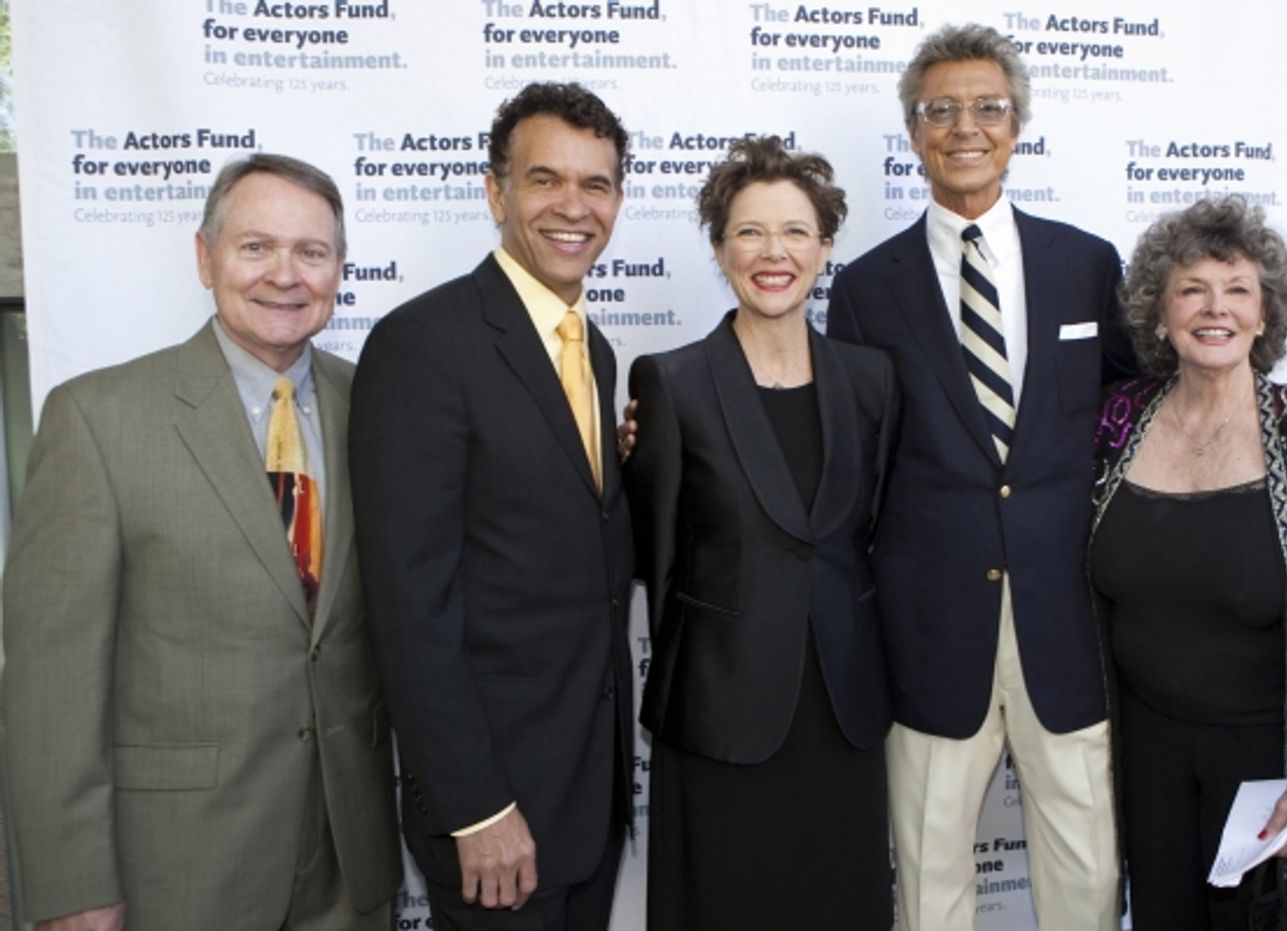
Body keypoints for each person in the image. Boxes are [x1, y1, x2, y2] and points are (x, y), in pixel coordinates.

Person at [821, 22, 1287, 931]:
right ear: (915, 130)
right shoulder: (864, 287)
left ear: (1017, 126)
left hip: (1070, 638)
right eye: (942, 110)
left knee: (1085, 883)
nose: (967, 126)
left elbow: (1156, 402)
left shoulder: (1083, 265)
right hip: (927, 637)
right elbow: (842, 452)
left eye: (989, 108)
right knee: (929, 886)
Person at [2, 153, 401, 931]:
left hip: (349, 867)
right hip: (180, 868)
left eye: (311, 252)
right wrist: (72, 886)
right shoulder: (99, 419)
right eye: (256, 247)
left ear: (339, 269)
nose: (285, 274)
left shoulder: (381, 407)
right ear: (204, 256)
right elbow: (51, 688)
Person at [349, 82, 633, 931]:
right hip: (495, 812)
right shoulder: (424, 344)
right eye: (545, 179)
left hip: (587, 795)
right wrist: (474, 807)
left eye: (597, 184)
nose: (572, 207)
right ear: (495, 191)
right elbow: (409, 600)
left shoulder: (597, 350)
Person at [626, 136, 900, 931]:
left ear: (825, 247)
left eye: (794, 232)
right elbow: (657, 555)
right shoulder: (670, 381)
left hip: (842, 709)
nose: (773, 252)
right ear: (719, 248)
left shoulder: (870, 378)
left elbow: (871, 528)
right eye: (749, 232)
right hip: (722, 712)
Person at [1089, 196, 1287, 930]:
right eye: (1192, 288)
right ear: (1161, 309)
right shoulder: (1115, 416)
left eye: (1237, 289)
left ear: (1264, 312)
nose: (1214, 308)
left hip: (1268, 760)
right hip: (1143, 753)